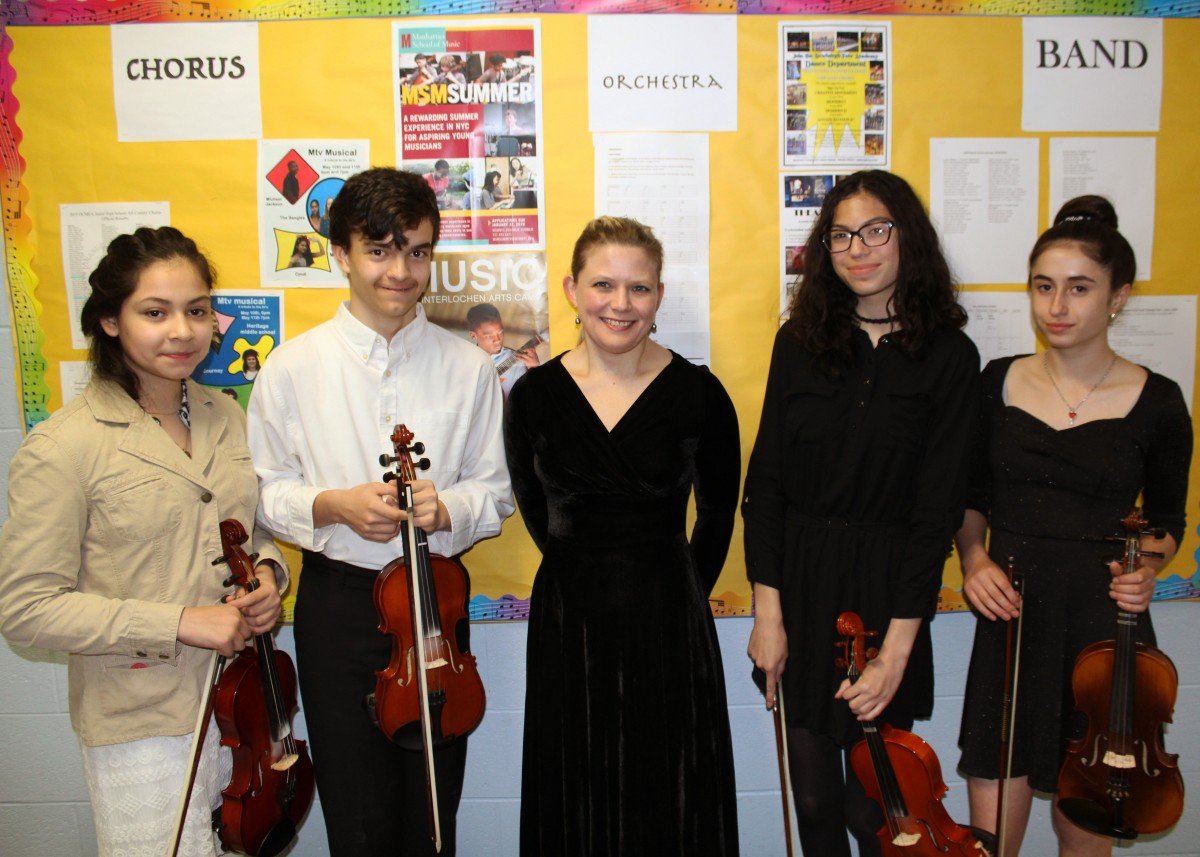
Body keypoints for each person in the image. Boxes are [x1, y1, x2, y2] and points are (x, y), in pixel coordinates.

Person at [247, 166, 513, 857]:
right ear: (340, 253)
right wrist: (329, 504)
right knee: (358, 822)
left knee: (431, 820)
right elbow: (268, 490)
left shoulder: (468, 367)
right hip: (339, 609)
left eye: (418, 251)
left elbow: (497, 490)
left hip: (434, 613)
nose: (401, 270)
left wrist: (447, 507)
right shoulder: (291, 369)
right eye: (380, 249)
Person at [0, 226, 286, 857]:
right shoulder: (64, 445)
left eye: (197, 310)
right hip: (141, 719)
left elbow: (252, 531)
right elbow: (24, 608)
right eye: (154, 313)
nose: (182, 331)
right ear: (109, 320)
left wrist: (268, 578)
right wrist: (180, 621)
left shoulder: (224, 414)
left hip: (239, 705)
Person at [743, 170, 980, 857]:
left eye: (876, 229)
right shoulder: (799, 342)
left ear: (909, 237)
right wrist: (768, 612)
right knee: (814, 799)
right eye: (841, 234)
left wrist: (897, 653)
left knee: (877, 805)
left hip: (891, 591)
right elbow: (768, 485)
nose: (859, 248)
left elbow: (936, 510)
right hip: (804, 581)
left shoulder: (951, 358)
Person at [956, 196, 1192, 857]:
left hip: (1104, 630)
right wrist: (974, 559)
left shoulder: (1161, 400)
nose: (1056, 305)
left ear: (1119, 297)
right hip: (1011, 616)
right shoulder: (995, 383)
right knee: (991, 830)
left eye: (1079, 288)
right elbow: (970, 498)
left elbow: (1168, 521)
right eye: (1043, 286)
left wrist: (1145, 568)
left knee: (1082, 824)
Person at [505, 216, 741, 856]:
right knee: (572, 786)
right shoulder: (531, 397)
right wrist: (578, 572)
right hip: (568, 619)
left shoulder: (700, 394)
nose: (620, 303)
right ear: (571, 290)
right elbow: (532, 505)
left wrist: (682, 595)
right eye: (603, 284)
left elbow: (718, 515)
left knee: (669, 789)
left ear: (659, 296)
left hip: (669, 618)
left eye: (639, 288)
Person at [466, 302, 538, 396]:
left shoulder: (519, 360)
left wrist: (536, 369)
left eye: (500, 333)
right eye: (489, 336)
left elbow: (535, 396)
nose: (497, 340)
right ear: (473, 335)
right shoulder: (464, 363)